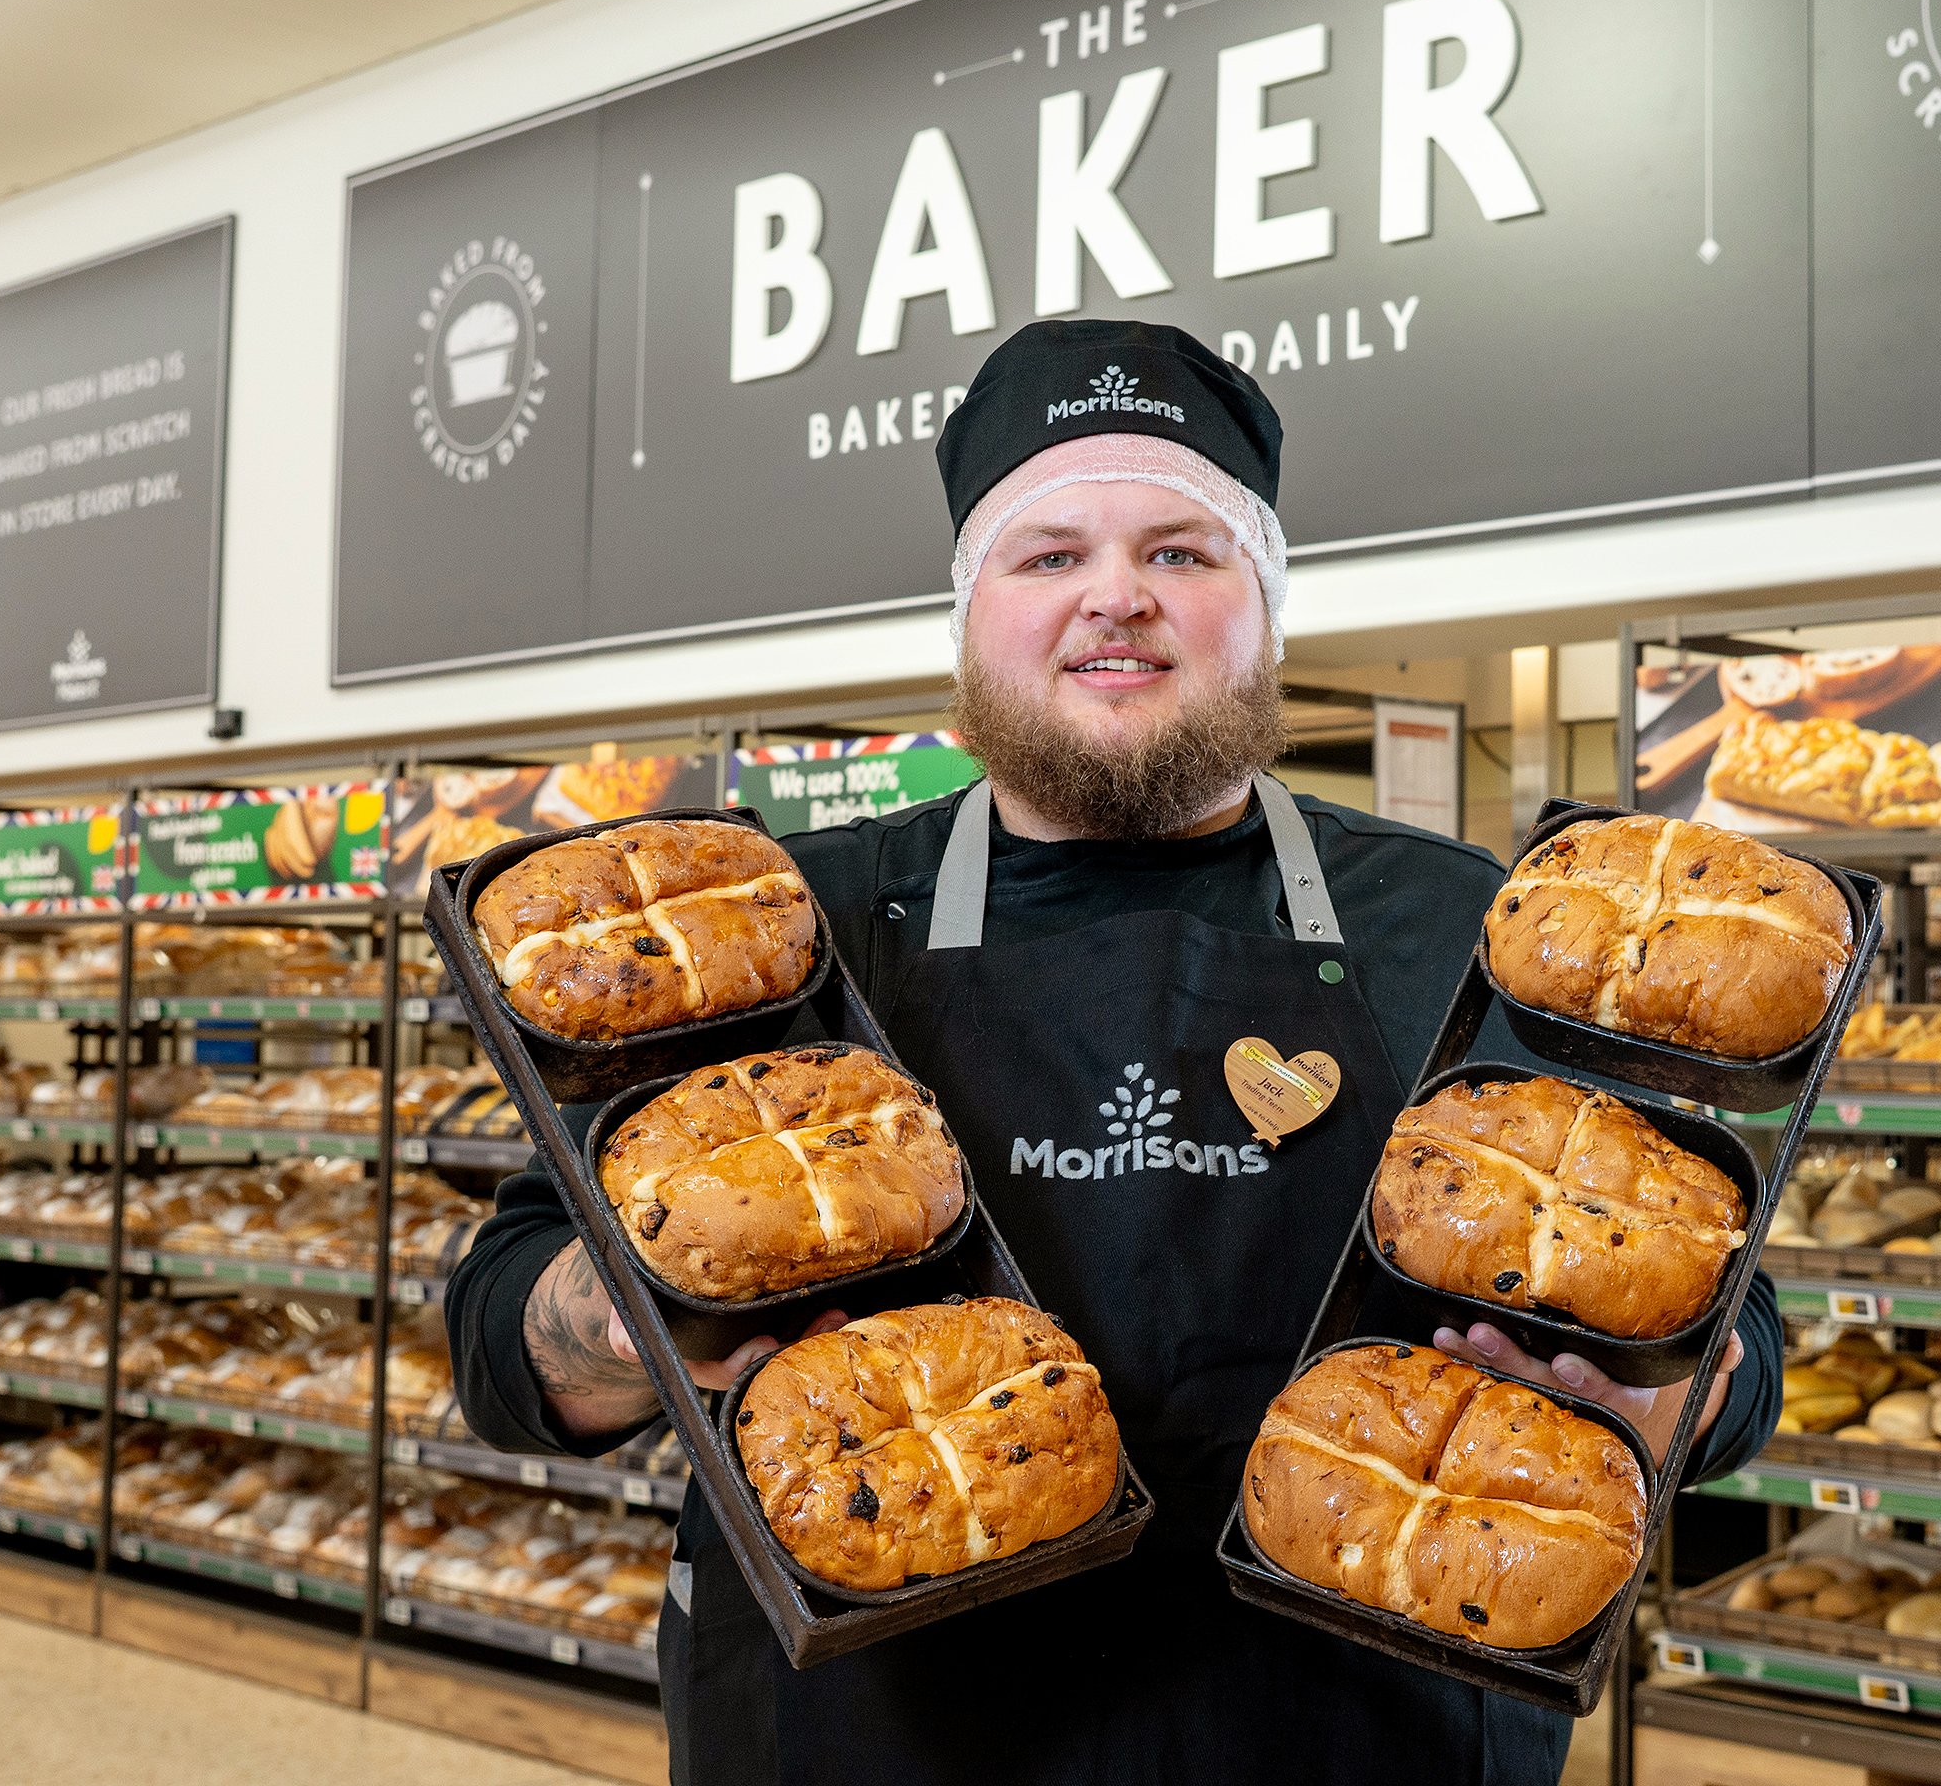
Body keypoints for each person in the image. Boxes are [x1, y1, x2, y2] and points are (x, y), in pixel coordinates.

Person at [445, 319, 1783, 1786]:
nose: (1117, 600)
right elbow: (507, 1331)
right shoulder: (788, 926)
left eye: (1184, 553)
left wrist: (1675, 1388)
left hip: (1361, 1734)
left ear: (1264, 607)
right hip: (883, 1735)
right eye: (1049, 555)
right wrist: (632, 1319)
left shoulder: (1465, 926)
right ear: (972, 612)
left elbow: (1733, 1324)